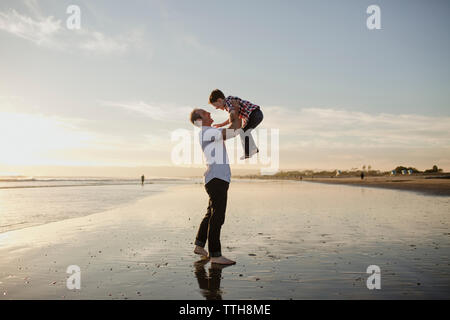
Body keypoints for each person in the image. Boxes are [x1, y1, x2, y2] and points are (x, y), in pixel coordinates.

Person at [189, 108, 240, 265]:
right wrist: (235, 109)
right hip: (217, 178)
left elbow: (233, 125)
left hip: (215, 178)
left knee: (211, 214)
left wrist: (232, 118)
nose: (210, 113)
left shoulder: (210, 131)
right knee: (218, 217)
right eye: (205, 113)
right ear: (200, 119)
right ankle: (216, 255)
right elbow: (235, 130)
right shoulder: (206, 132)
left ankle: (199, 245)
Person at [208, 89, 263, 159]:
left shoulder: (228, 102)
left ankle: (249, 151)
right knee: (244, 131)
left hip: (254, 114)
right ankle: (252, 149)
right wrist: (222, 124)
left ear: (219, 100)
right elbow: (233, 116)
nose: (216, 108)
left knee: (243, 131)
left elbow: (233, 113)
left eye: (217, 106)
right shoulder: (229, 102)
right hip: (255, 114)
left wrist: (231, 120)